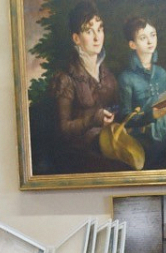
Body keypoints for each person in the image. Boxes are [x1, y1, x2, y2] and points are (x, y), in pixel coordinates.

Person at [50, 2, 118, 168]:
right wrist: (93, 119)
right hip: (79, 157)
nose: (97, 38)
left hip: (107, 147)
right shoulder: (66, 78)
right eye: (89, 31)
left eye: (99, 29)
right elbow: (63, 129)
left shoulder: (108, 76)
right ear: (76, 39)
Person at [116, 17, 166, 167]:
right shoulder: (126, 78)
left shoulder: (162, 73)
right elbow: (124, 117)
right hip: (141, 142)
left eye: (153, 35)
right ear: (132, 44)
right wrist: (151, 116)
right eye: (143, 38)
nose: (150, 41)